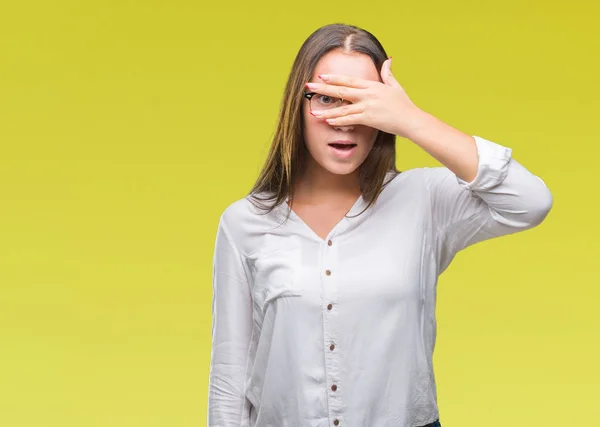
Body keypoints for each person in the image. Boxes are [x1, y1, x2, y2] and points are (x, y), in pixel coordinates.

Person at [207, 23, 553, 427]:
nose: (345, 121)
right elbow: (230, 382)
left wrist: (411, 119)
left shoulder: (424, 199)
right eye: (326, 99)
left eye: (363, 103)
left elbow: (530, 202)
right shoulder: (244, 223)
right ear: (296, 108)